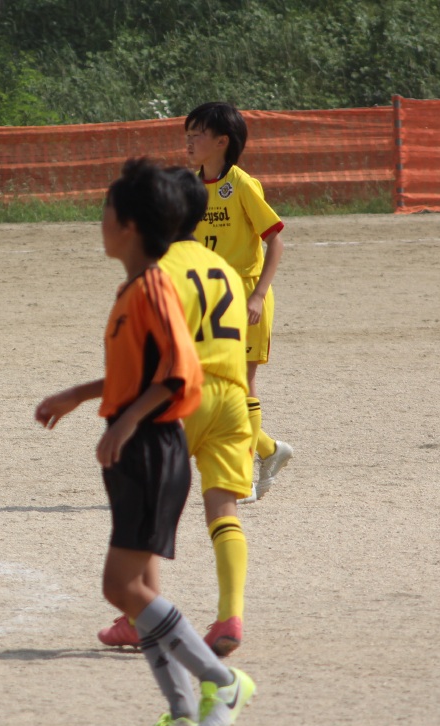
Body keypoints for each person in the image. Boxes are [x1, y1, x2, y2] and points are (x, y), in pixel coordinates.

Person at [35, 158, 255, 726]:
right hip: (141, 445)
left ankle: (221, 681)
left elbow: (180, 372)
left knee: (123, 585)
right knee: (130, 587)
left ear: (130, 225)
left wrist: (128, 421)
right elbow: (136, 374)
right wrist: (80, 397)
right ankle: (182, 712)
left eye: (107, 211)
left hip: (154, 445)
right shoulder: (136, 288)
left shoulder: (156, 287)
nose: (101, 221)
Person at [97, 167, 253, 657]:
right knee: (223, 511)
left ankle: (139, 615)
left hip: (184, 395)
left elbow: (161, 355)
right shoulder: (224, 268)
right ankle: (230, 615)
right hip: (233, 396)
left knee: (145, 503)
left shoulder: (160, 270)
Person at [185, 102, 293, 503]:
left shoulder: (243, 185)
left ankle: (240, 473)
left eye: (197, 134)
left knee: (242, 384)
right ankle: (270, 449)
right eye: (187, 135)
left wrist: (259, 295)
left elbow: (275, 241)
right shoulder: (191, 187)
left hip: (246, 297)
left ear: (222, 142)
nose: (189, 142)